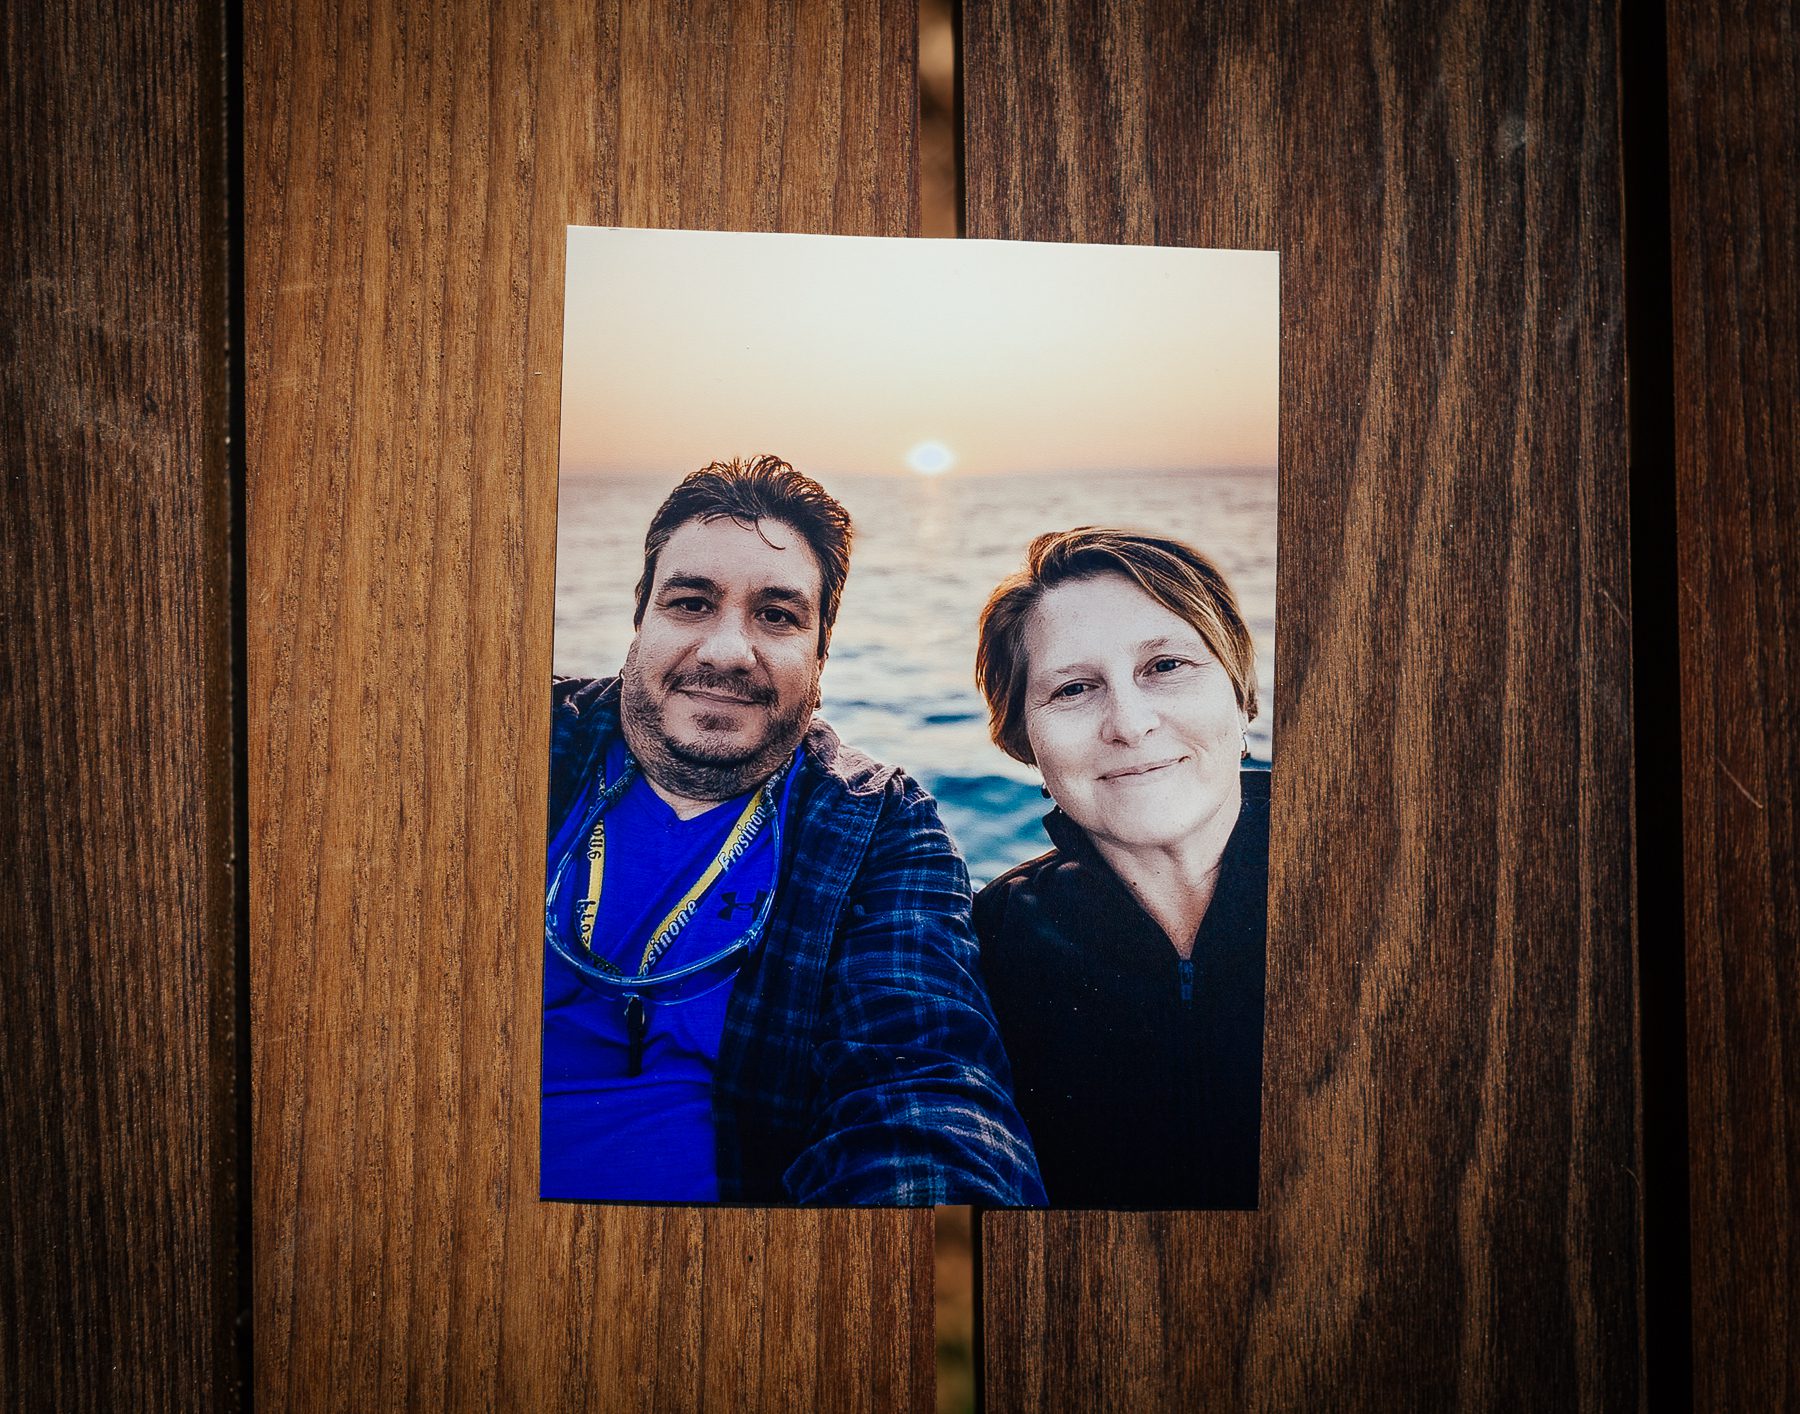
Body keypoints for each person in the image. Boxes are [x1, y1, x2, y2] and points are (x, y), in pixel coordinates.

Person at [543, 454, 1043, 1207]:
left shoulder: (877, 828)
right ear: (640, 613)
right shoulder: (525, 739)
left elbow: (923, 1088)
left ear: (821, 650)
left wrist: (932, 1282)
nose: (725, 650)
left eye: (777, 615)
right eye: (690, 603)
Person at [972, 528, 1268, 1208]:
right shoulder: (982, 952)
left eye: (1165, 666)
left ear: (1240, 694)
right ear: (1025, 745)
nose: (1130, 724)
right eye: (1074, 688)